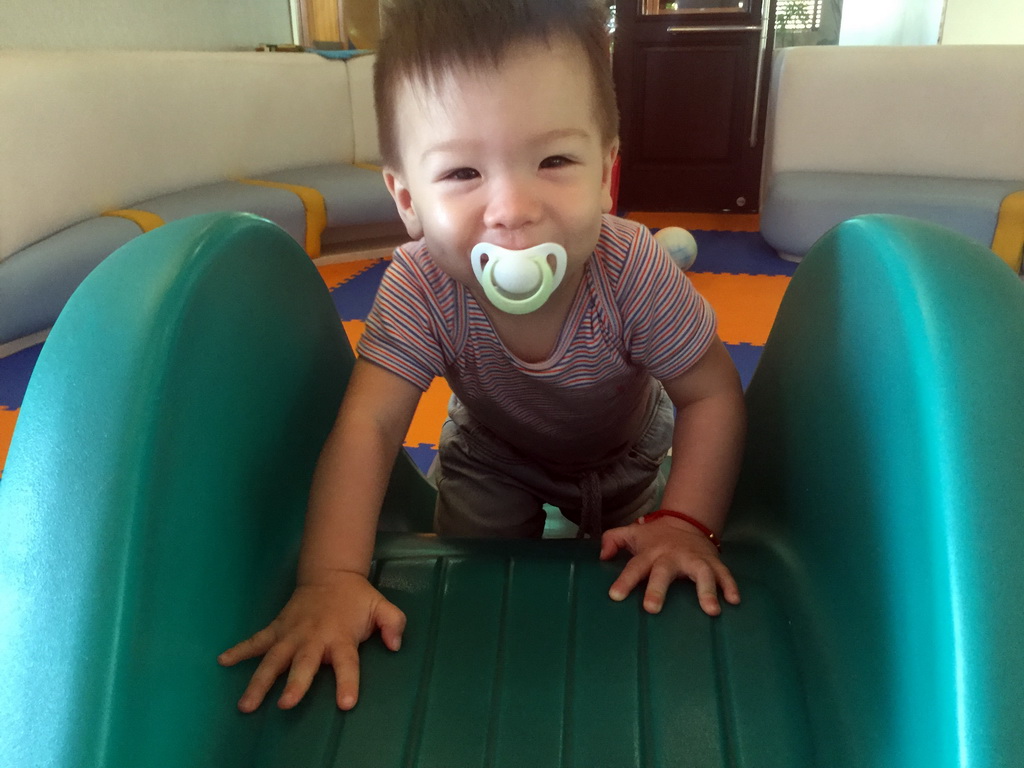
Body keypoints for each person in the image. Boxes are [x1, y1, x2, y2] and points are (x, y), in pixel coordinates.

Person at [218, 0, 746, 714]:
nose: (511, 207)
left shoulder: (636, 269)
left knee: (641, 591)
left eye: (554, 160)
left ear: (605, 175)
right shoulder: (419, 283)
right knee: (466, 591)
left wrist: (686, 523)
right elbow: (369, 427)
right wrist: (331, 576)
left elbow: (711, 394)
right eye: (463, 173)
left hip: (626, 457)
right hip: (491, 457)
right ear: (407, 197)